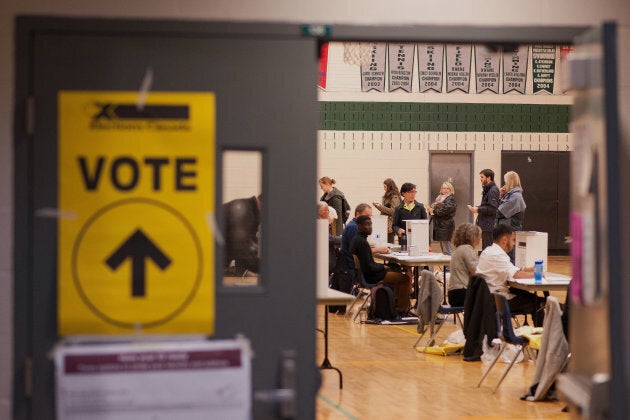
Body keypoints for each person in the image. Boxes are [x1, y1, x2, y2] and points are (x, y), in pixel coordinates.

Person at [476, 224, 545, 327]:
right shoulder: (498, 254)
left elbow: (508, 269)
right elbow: (516, 275)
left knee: (531, 297)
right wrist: (537, 274)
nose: (513, 244)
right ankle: (541, 339)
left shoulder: (488, 251)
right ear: (504, 240)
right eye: (513, 240)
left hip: (488, 297)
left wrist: (524, 270)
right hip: (497, 300)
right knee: (538, 304)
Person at [350, 215, 412, 317]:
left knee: (396, 270)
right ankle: (401, 310)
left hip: (366, 275)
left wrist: (384, 267)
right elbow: (368, 267)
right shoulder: (362, 243)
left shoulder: (357, 240)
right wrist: (383, 267)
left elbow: (368, 264)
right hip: (370, 277)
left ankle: (394, 305)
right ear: (359, 226)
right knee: (405, 278)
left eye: (370, 224)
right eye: (366, 225)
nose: (370, 227)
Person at [341, 203, 389, 268]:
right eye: (367, 215)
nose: (369, 219)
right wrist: (378, 249)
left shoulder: (355, 225)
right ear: (358, 214)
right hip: (352, 268)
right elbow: (360, 252)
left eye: (370, 216)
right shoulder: (354, 227)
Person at [223, 194, 261, 276]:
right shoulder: (246, 212)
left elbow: (246, 248)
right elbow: (241, 249)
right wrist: (264, 268)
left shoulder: (251, 212)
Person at [448, 223, 482, 306]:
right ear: (473, 237)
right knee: (491, 300)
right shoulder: (467, 249)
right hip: (462, 292)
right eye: (479, 237)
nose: (480, 240)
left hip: (454, 293)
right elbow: (476, 273)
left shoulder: (458, 250)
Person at [496, 170, 526, 264]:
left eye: (506, 181)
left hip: (510, 231)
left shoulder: (515, 197)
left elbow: (499, 212)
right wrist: (500, 195)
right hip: (506, 230)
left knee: (510, 257)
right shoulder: (509, 195)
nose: (505, 183)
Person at [467, 169, 500, 251]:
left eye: (482, 177)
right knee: (485, 247)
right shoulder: (488, 189)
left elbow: (492, 208)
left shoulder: (493, 190)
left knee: (488, 248)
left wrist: (478, 209)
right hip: (485, 223)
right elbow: (486, 205)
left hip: (488, 224)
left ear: (488, 178)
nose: (480, 179)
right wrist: (478, 208)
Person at [427, 181, 457, 255]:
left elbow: (444, 210)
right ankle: (447, 266)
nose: (445, 190)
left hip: (445, 226)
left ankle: (450, 265)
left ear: (451, 190)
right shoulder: (439, 198)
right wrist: (431, 210)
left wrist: (433, 210)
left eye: (447, 188)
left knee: (447, 249)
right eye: (444, 188)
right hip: (440, 225)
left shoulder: (450, 199)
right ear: (441, 189)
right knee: (444, 249)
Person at [372, 178, 402, 243]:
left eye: (385, 187)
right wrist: (379, 206)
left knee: (389, 243)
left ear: (389, 187)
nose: (384, 189)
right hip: (385, 223)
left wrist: (379, 206)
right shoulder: (388, 196)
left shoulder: (394, 197)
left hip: (390, 224)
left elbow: (393, 211)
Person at [318, 201, 341, 273]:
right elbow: (330, 239)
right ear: (321, 211)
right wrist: (343, 238)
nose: (328, 212)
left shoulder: (322, 223)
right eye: (327, 210)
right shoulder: (319, 224)